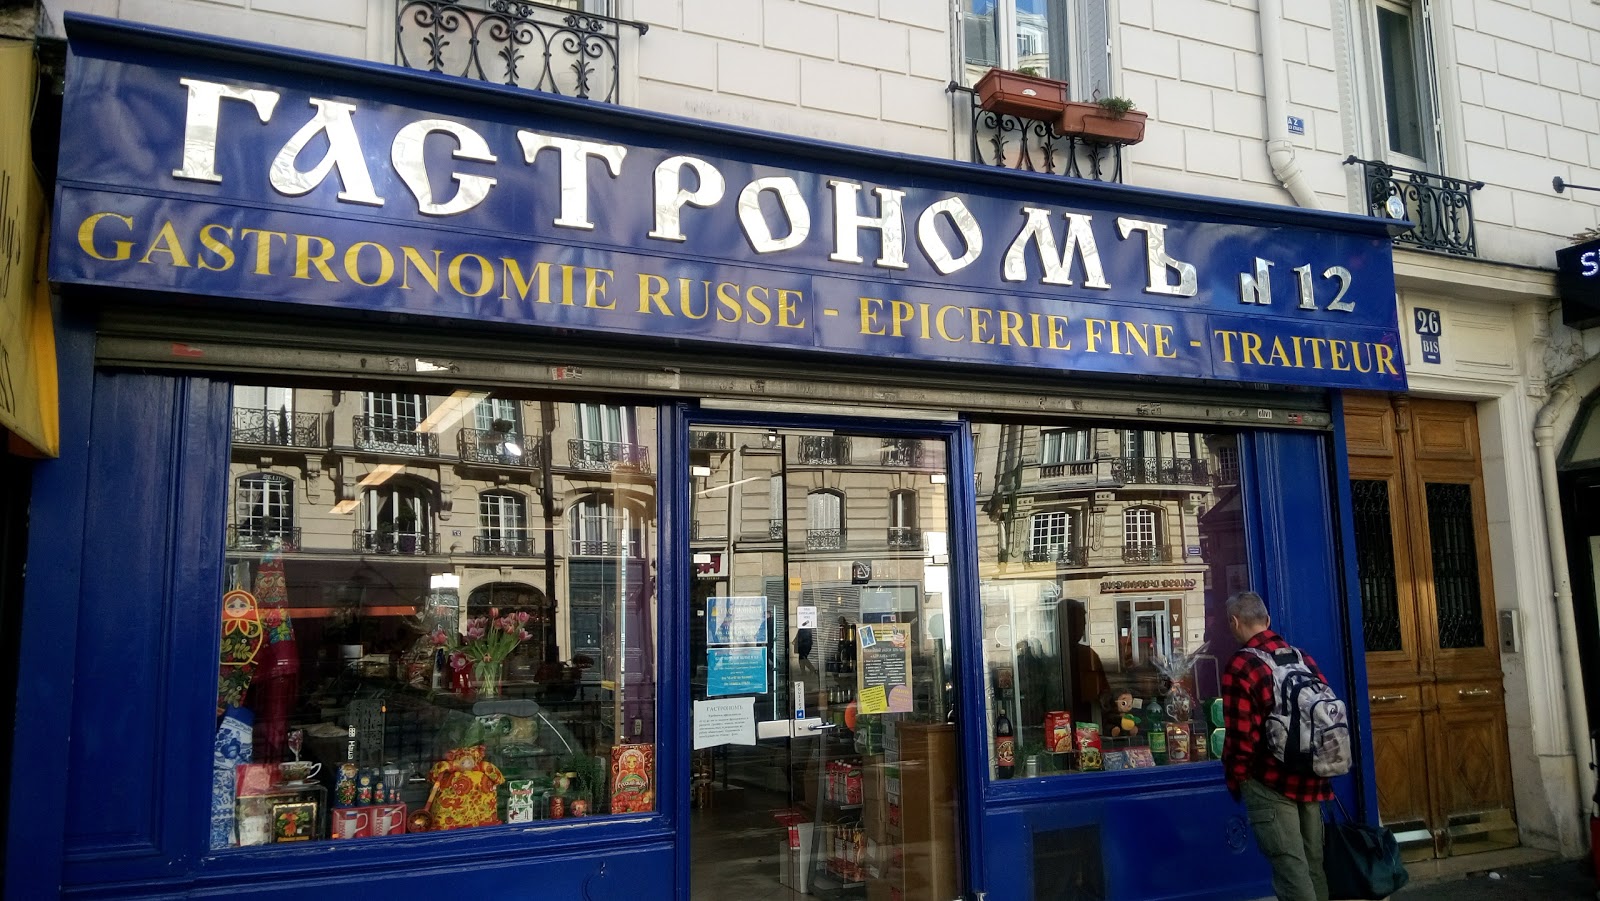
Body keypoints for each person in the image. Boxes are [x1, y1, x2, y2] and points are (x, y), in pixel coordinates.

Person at [1221, 591, 1333, 901]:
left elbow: (1241, 735)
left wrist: (1239, 779)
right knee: (1313, 866)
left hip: (1268, 780)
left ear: (1234, 622)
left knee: (1290, 871)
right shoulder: (1302, 657)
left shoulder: (1241, 665)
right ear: (1267, 620)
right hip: (1311, 777)